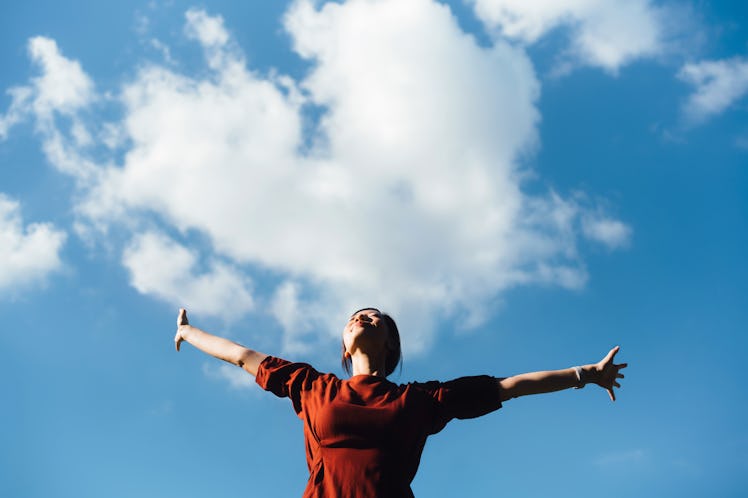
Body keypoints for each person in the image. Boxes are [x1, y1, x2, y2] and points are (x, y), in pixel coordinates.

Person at [174, 307, 626, 498]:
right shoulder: (311, 386)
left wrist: (585, 375)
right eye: (354, 318)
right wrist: (188, 333)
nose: (362, 317)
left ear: (391, 344)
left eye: (375, 317)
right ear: (345, 345)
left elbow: (508, 386)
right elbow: (240, 355)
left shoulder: (422, 399)